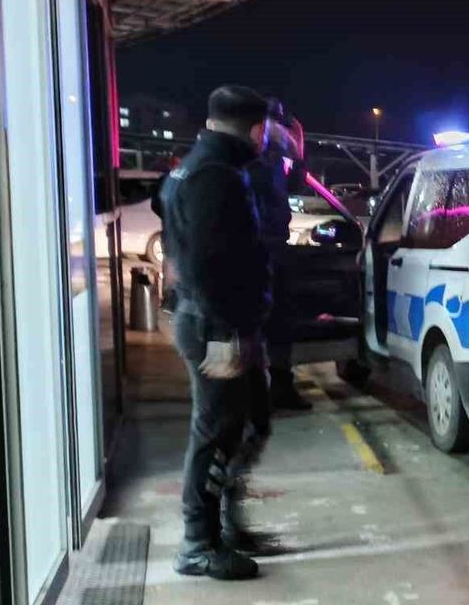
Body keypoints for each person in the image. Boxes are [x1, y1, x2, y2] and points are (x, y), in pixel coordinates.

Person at [160, 85, 273, 580]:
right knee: (215, 432)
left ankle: (226, 526)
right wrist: (226, 334)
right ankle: (198, 544)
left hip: (214, 320)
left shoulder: (193, 168)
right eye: (265, 131)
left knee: (250, 421)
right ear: (255, 129)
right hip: (216, 325)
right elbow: (206, 264)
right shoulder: (215, 175)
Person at [246, 101, 311, 411]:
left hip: (276, 247)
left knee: (281, 322)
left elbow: (296, 185)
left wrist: (299, 152)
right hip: (252, 250)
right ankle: (253, 393)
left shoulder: (274, 161)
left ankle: (281, 387)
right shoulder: (247, 161)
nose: (280, 133)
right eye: (275, 126)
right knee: (252, 324)